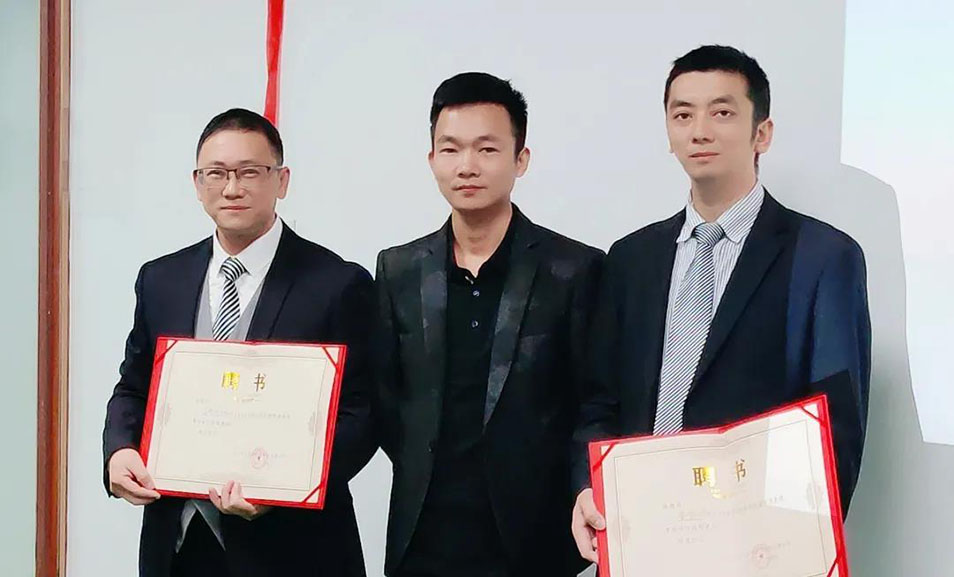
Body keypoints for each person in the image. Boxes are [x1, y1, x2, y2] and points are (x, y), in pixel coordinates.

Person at [571, 45, 871, 562]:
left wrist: (788, 549)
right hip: (642, 538)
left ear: (762, 133)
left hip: (759, 551)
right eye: (683, 115)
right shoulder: (631, 258)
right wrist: (587, 485)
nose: (700, 131)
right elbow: (600, 401)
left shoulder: (824, 256)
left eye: (722, 112)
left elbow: (834, 429)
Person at [102, 108, 376, 577]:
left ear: (281, 180)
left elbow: (363, 413)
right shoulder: (161, 279)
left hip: (293, 550)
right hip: (177, 543)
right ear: (197, 183)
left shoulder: (337, 284)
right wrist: (119, 449)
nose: (232, 188)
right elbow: (133, 387)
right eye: (217, 173)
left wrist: (285, 487)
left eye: (250, 172)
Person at [375, 72, 603, 577]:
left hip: (533, 542)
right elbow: (388, 400)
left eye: (487, 149)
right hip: (423, 541)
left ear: (521, 159)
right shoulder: (398, 269)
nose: (467, 166)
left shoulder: (573, 269)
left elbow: (592, 401)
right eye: (451, 149)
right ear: (432, 159)